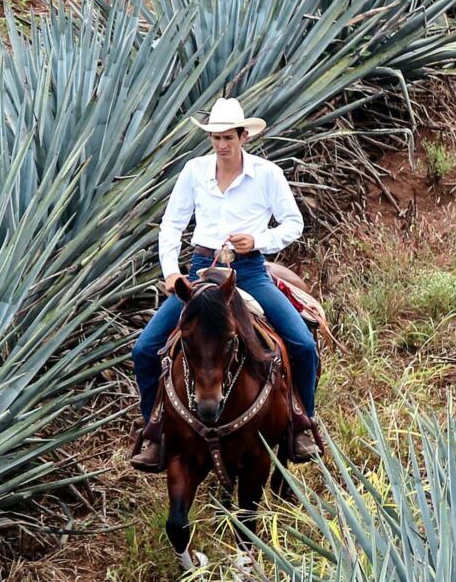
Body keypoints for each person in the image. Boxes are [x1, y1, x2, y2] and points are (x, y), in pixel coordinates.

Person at [131, 97, 322, 472]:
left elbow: (292, 223)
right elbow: (172, 224)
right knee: (144, 350)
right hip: (201, 271)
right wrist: (171, 271)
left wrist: (259, 241)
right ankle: (156, 430)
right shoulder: (193, 172)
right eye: (215, 138)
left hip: (249, 272)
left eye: (228, 138)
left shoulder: (267, 174)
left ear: (242, 137)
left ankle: (301, 424)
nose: (221, 145)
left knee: (301, 344)